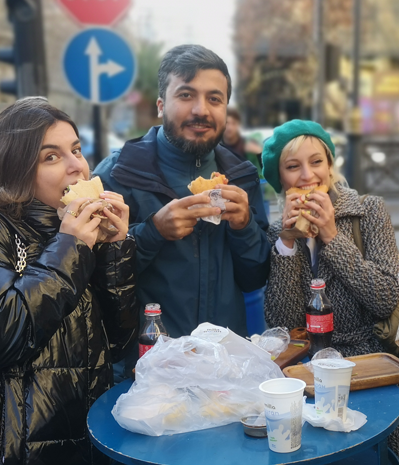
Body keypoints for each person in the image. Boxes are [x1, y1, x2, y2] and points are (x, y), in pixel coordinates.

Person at [0, 97, 137, 465]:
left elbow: (117, 341)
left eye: (76, 149)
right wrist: (71, 247)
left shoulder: (70, 229)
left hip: (86, 441)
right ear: (15, 168)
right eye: (51, 157)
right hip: (15, 451)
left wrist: (113, 251)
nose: (77, 166)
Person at [260, 119, 399, 465]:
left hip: (369, 366)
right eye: (293, 166)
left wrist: (332, 236)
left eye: (316, 162)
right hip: (308, 376)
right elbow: (284, 324)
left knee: (384, 460)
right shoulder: (278, 232)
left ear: (330, 166)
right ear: (280, 179)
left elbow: (385, 297)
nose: (307, 176)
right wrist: (287, 244)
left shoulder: (368, 210)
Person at [93, 44, 270, 341]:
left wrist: (244, 228)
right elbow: (97, 281)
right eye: (186, 95)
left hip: (224, 357)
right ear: (161, 105)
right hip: (147, 360)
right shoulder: (117, 174)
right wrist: (153, 231)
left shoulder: (242, 177)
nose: (201, 110)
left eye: (214, 99)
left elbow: (254, 278)